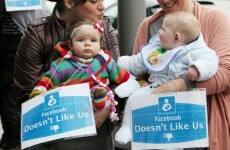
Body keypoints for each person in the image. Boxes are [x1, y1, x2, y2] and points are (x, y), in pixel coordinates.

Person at [13, 0, 120, 149]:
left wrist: (107, 107)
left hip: (99, 131)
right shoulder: (37, 34)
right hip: (52, 137)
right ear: (69, 2)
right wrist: (71, 114)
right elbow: (26, 95)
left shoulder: (104, 25)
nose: (102, 6)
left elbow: (117, 76)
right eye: (95, 1)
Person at [132, 0, 230, 149]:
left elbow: (226, 73)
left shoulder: (214, 19)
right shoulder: (148, 26)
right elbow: (138, 74)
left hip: (204, 133)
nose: (165, 1)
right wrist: (141, 85)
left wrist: (173, 86)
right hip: (158, 133)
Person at [114, 11, 219, 145]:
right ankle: (127, 127)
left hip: (182, 96)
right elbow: (140, 62)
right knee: (135, 98)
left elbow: (211, 61)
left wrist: (197, 69)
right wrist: (120, 63)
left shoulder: (196, 50)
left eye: (163, 29)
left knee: (177, 129)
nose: (158, 31)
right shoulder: (159, 50)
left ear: (176, 37)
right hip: (153, 88)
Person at [29, 18, 139, 122]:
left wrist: (137, 82)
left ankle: (98, 100)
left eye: (93, 40)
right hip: (70, 107)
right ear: (71, 45)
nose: (87, 43)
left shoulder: (106, 62)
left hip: (97, 110)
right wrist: (40, 90)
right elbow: (49, 78)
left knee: (101, 92)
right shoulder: (63, 63)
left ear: (100, 45)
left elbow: (121, 75)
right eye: (81, 40)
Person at [0, 0, 48, 149]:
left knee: (11, 91)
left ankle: (15, 137)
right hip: (30, 35)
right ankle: (19, 135)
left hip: (14, 41)